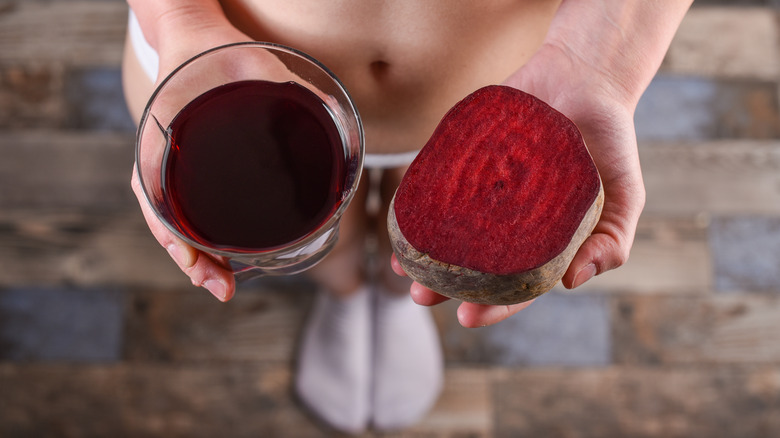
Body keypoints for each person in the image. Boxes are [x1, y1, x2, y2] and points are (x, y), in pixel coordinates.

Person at [122, 0, 692, 433]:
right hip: (228, 71)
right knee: (319, 239)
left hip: (518, 82)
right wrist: (182, 19)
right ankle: (345, 293)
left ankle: (396, 300)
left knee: (426, 238)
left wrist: (601, 61)